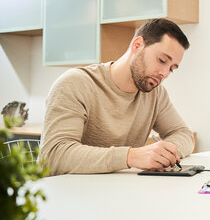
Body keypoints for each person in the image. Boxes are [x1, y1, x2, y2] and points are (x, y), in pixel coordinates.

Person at [39, 18, 195, 176]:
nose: (165, 73)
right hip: (70, 194)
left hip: (119, 192)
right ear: (137, 45)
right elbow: (54, 156)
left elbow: (184, 134)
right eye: (162, 60)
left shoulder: (156, 94)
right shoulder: (75, 84)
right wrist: (130, 157)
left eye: (172, 68)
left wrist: (164, 153)